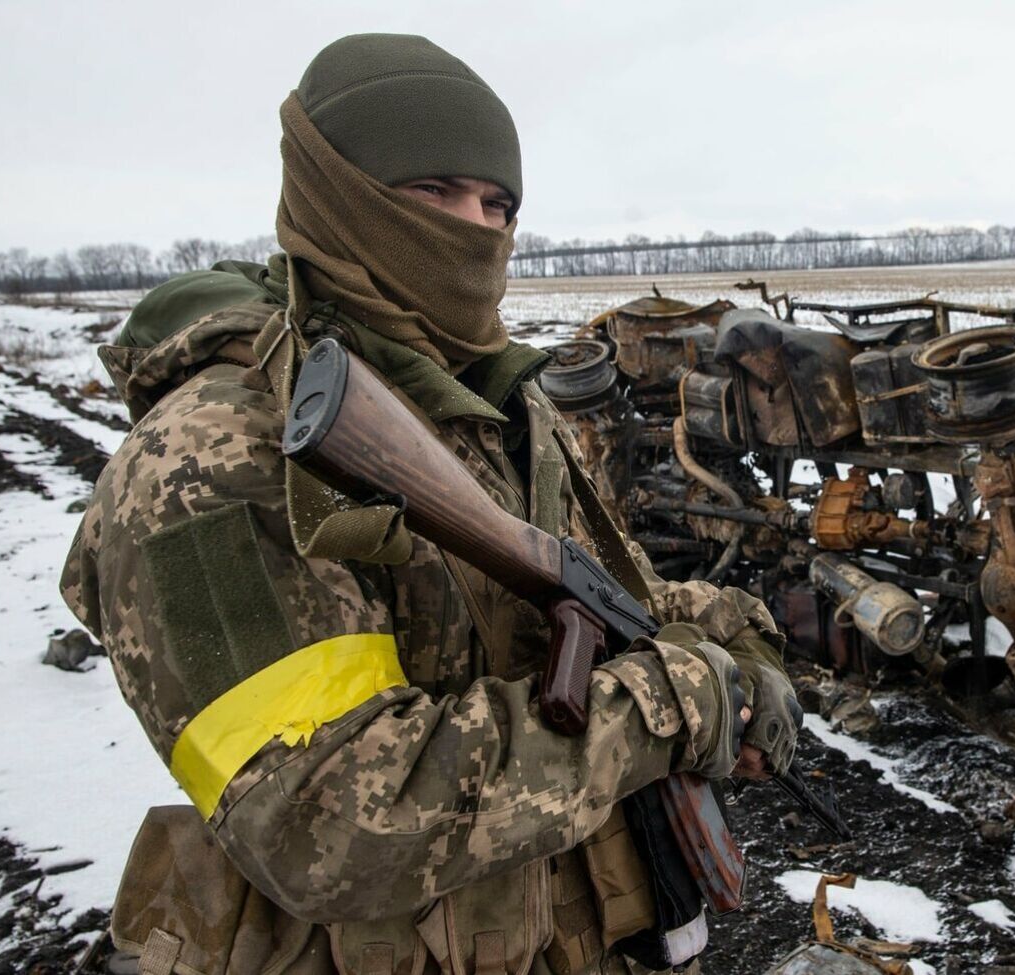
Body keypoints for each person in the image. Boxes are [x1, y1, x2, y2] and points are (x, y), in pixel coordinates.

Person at [63, 33, 801, 975]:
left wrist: (738, 640)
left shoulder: (493, 399)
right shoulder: (208, 451)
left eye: (497, 205)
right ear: (335, 194)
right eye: (433, 193)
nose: (475, 228)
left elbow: (621, 591)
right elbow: (330, 818)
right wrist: (671, 703)